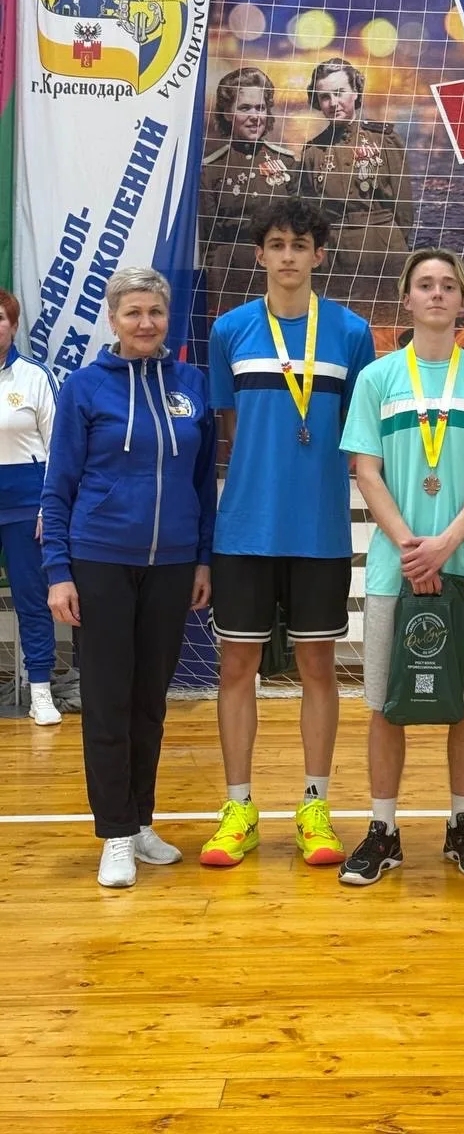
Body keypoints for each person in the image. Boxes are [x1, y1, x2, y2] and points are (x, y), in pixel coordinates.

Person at [338, 247, 464, 886]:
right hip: (395, 567)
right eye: (425, 284)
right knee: (386, 703)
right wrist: (410, 547)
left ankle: (461, 825)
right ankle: (383, 830)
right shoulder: (378, 378)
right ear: (408, 298)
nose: (437, 293)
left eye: (449, 284)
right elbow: (367, 470)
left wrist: (444, 544)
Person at [200, 196, 375, 869]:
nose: (288, 256)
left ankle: (314, 805)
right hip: (244, 529)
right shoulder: (229, 331)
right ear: (260, 255)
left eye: (300, 245)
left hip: (320, 531)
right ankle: (238, 807)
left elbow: (357, 434)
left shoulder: (351, 332)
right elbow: (231, 429)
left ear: (319, 255)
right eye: (277, 245)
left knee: (318, 669)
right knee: (236, 668)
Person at [42, 267, 217, 888]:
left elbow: (203, 483)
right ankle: (114, 832)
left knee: (149, 703)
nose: (146, 323)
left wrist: (202, 559)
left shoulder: (191, 384)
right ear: (113, 319)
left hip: (172, 567)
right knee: (107, 702)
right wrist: (58, 571)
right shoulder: (85, 388)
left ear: (169, 318)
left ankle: (141, 820)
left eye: (156, 312)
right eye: (134, 312)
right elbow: (58, 485)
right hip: (100, 562)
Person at [297, 57, 415, 328]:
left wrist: (394, 244)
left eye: (340, 93)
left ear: (356, 92)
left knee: (392, 325)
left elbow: (403, 207)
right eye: (325, 97)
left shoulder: (384, 140)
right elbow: (311, 214)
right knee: (343, 328)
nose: (333, 103)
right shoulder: (313, 152)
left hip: (384, 247)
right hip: (337, 253)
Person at [0, 292, 60, 726]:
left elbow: (60, 447)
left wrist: (47, 507)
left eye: (0, 318)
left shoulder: (36, 376)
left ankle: (40, 690)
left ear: (14, 325)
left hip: (26, 506)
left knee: (32, 599)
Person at [199, 67, 297, 319]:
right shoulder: (211, 169)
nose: (255, 116)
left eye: (260, 108)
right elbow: (209, 240)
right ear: (227, 113)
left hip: (279, 273)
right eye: (245, 108)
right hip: (229, 275)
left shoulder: (288, 163)